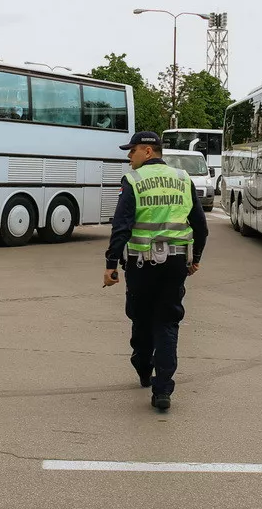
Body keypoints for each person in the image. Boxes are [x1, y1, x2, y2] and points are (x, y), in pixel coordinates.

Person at [103, 130, 208, 412]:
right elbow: (200, 224)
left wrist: (111, 265)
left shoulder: (134, 181)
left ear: (148, 151)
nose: (129, 156)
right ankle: (162, 389)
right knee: (167, 322)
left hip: (141, 264)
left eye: (132, 150)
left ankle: (142, 366)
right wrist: (195, 257)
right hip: (176, 264)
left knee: (141, 316)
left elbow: (121, 226)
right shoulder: (183, 179)